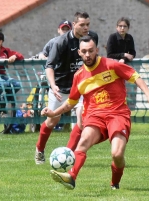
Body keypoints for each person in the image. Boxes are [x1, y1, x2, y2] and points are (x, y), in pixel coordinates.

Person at [41, 36, 149, 190]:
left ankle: (115, 183)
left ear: (97, 50)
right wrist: (53, 113)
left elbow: (134, 75)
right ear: (79, 52)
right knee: (83, 142)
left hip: (118, 114)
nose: (88, 55)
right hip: (95, 116)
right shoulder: (79, 76)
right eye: (84, 52)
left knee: (117, 154)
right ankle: (71, 177)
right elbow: (70, 103)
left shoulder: (111, 65)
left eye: (91, 51)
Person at [35, 11, 98, 164]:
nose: (86, 28)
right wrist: (53, 84)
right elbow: (49, 66)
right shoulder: (61, 42)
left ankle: (68, 155)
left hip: (81, 88)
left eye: (88, 24)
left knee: (81, 121)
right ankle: (39, 149)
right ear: (74, 24)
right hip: (60, 89)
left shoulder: (91, 39)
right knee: (52, 121)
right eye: (82, 25)